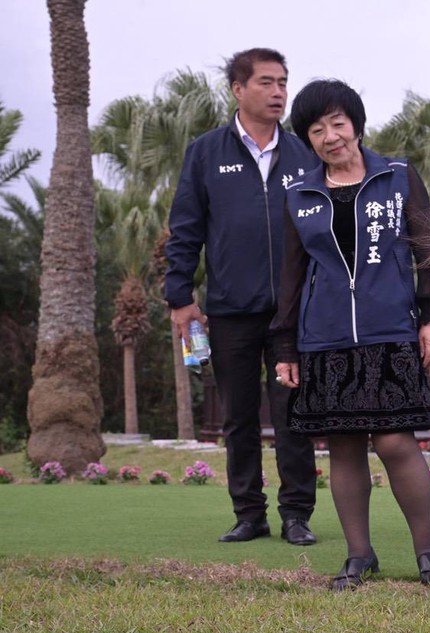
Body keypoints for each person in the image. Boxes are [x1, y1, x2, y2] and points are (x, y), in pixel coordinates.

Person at [270, 79, 430, 588]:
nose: (330, 136)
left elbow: (427, 250)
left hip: (390, 331)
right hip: (325, 339)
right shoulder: (300, 195)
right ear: (308, 139)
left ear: (355, 124)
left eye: (337, 123)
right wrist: (285, 345)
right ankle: (359, 555)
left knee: (395, 442)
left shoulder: (398, 176)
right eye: (316, 129)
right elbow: (291, 275)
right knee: (344, 447)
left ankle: (428, 551)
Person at [166, 48, 319, 547]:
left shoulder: (304, 154)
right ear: (238, 89)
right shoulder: (205, 152)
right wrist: (180, 297)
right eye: (266, 82)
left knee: (293, 414)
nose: (278, 92)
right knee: (238, 418)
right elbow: (185, 229)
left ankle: (297, 514)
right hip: (230, 311)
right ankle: (249, 514)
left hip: (293, 314)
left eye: (283, 82)